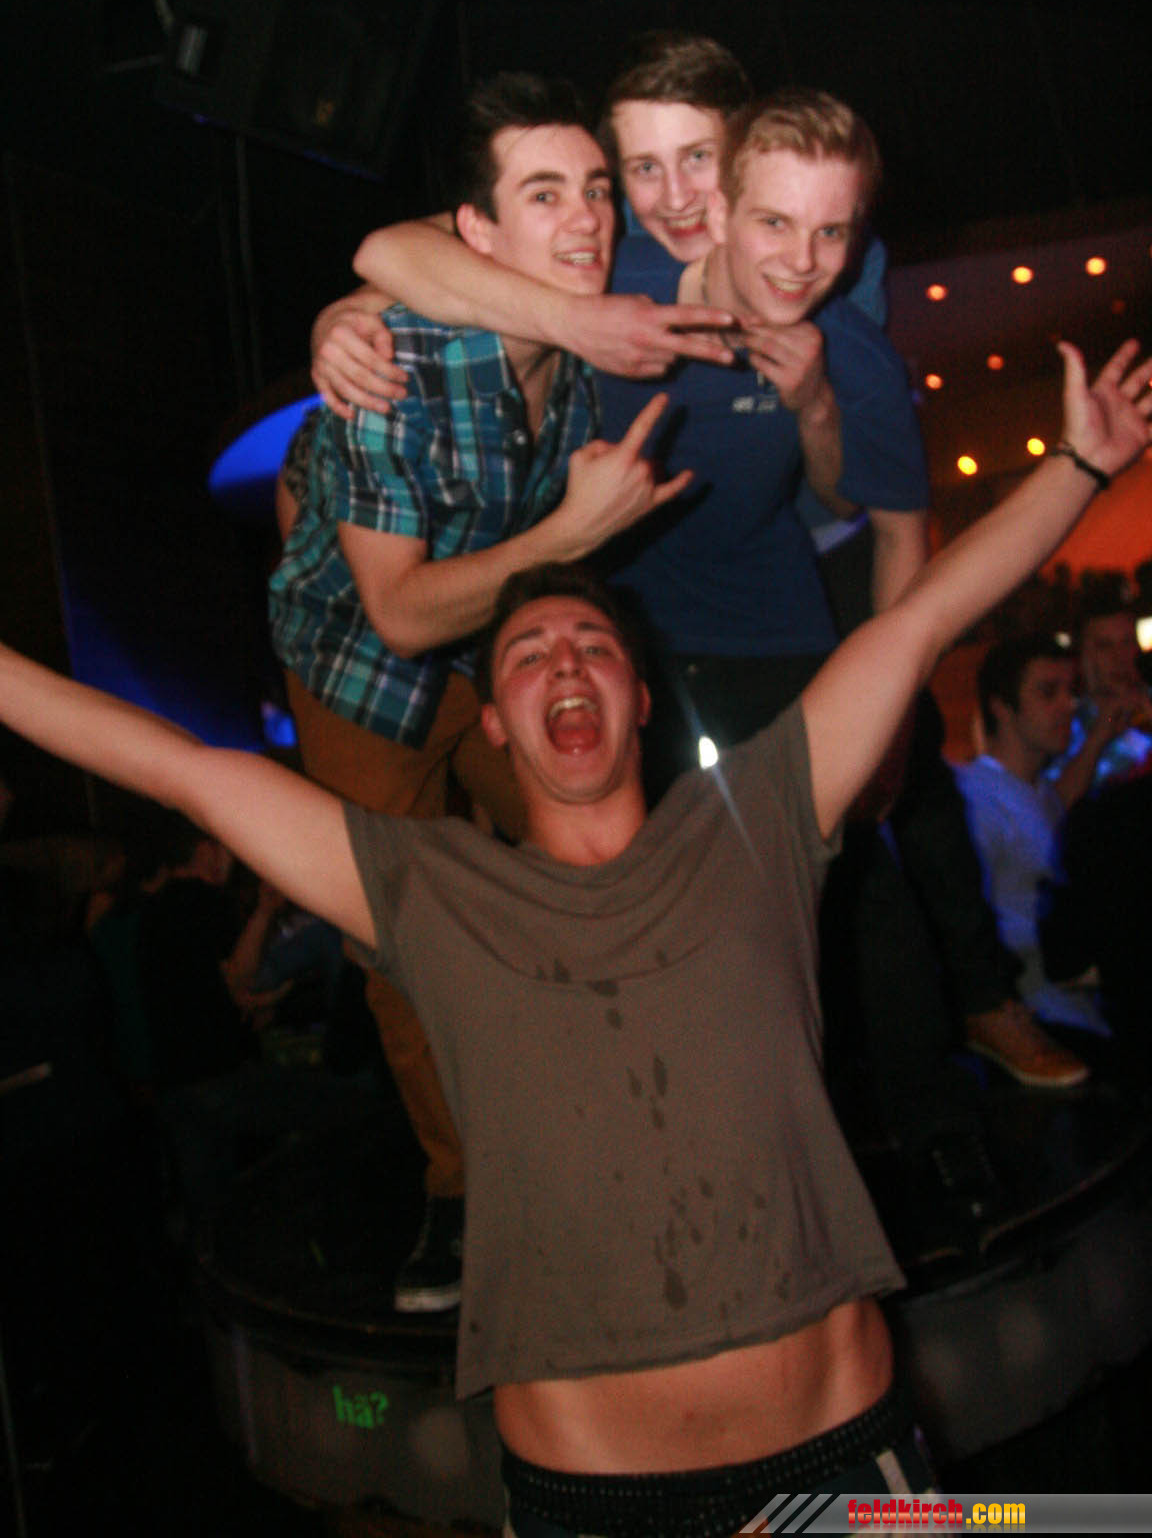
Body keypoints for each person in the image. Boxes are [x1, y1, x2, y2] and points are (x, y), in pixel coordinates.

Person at [1, 337, 1147, 1532]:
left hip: (841, 1482)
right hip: (590, 1507)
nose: (566, 663)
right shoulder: (427, 886)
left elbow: (918, 624)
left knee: (1088, 1526)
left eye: (596, 647)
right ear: (496, 723)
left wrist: (1081, 466)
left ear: (639, 699)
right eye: (529, 655)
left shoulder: (758, 817)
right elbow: (181, 770)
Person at [267, 72, 692, 1312]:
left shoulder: (602, 323)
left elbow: (390, 253)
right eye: (544, 195)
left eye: (596, 190)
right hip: (358, 672)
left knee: (605, 865)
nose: (588, 220)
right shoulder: (395, 365)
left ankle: (640, 1125)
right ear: (478, 234)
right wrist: (573, 532)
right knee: (407, 941)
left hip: (489, 657)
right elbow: (400, 614)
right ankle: (465, 1193)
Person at [314, 65, 929, 776]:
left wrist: (895, 716)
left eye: (830, 232)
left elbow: (882, 525)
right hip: (615, 634)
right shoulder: (608, 277)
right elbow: (404, 253)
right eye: (774, 222)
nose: (800, 259)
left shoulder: (857, 353)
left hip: (773, 631)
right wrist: (345, 314)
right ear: (725, 214)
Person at [956, 633, 1114, 1035]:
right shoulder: (976, 799)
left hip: (1076, 1012)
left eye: (1070, 691)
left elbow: (1054, 807)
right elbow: (969, 929)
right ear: (1001, 706)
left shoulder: (1038, 791)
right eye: (1048, 692)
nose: (1069, 704)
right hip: (1036, 1024)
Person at [1049, 594, 1152, 793]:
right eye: (1104, 646)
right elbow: (1055, 805)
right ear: (1083, 656)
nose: (1119, 657)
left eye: (1127, 642)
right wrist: (1098, 738)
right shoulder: (1065, 726)